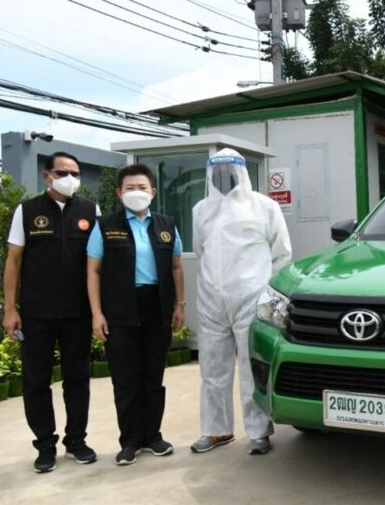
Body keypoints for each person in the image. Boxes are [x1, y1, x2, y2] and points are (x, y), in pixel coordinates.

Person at [189, 149, 293, 456]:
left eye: (230, 171)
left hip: (252, 299)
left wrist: (267, 295)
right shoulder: (201, 210)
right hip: (211, 300)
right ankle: (216, 430)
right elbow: (201, 250)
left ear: (243, 173)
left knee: (252, 367)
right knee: (212, 369)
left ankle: (259, 432)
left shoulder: (264, 206)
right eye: (217, 172)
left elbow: (282, 254)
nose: (224, 177)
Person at [3, 152, 99, 473]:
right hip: (36, 314)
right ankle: (45, 445)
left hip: (78, 313)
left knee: (78, 379)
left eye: (75, 173)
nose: (70, 178)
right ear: (48, 176)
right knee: (36, 381)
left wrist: (99, 310)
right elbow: (13, 261)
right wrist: (10, 309)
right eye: (62, 172)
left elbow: (98, 264)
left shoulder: (91, 211)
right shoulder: (27, 211)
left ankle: (76, 441)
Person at [86, 164, 185, 467]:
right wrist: (97, 313)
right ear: (119, 193)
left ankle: (153, 436)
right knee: (126, 380)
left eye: (142, 187)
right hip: (120, 309)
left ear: (153, 192)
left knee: (153, 377)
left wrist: (180, 305)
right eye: (130, 188)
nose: (136, 192)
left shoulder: (167, 225)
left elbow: (177, 267)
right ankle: (129, 441)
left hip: (157, 307)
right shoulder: (105, 226)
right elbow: (93, 270)